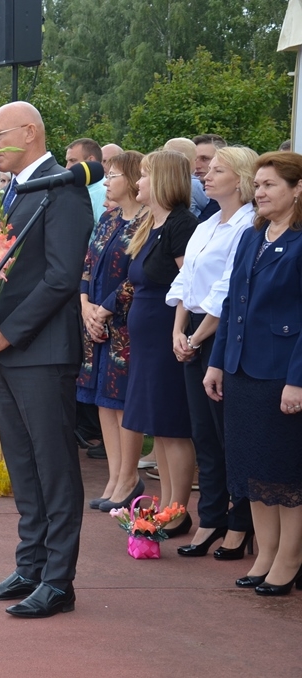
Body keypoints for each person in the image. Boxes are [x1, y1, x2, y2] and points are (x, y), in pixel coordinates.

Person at [0, 102, 94, 618]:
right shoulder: (17, 191)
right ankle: (31, 565)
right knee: (23, 464)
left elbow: (61, 277)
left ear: (31, 132)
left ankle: (59, 579)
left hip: (41, 351)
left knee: (53, 465)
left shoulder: (63, 188)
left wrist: (5, 334)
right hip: (10, 350)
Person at [204, 151, 302, 596]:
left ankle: (289, 557)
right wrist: (217, 361)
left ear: (297, 190)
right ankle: (265, 552)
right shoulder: (252, 237)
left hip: (280, 372)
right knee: (252, 470)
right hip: (242, 367)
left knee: (282, 473)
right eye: (258, 185)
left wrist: (297, 379)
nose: (259, 192)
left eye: (270, 185)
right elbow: (230, 305)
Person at [167, 145, 258, 558]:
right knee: (203, 433)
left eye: (217, 170)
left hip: (219, 337)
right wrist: (178, 331)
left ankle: (240, 523)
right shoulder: (206, 224)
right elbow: (186, 281)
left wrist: (197, 337)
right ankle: (211, 518)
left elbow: (226, 290)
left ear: (239, 179)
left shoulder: (247, 225)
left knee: (228, 435)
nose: (206, 175)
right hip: (192, 335)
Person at [121, 151, 198, 533]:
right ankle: (166, 506)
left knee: (172, 424)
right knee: (158, 427)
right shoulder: (152, 223)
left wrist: (179, 330)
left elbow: (189, 284)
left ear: (163, 180)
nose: (138, 183)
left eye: (145, 175)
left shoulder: (182, 224)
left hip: (167, 331)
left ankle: (178, 511)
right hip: (146, 333)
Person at [78, 151, 147, 511]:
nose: (107, 181)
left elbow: (136, 277)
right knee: (103, 401)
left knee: (122, 402)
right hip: (97, 320)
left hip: (124, 323)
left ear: (135, 180)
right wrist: (86, 305)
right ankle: (114, 476)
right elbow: (88, 264)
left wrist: (104, 309)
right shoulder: (107, 219)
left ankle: (129, 477)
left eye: (114, 175)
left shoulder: (147, 223)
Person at [65, 138, 107, 222]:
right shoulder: (75, 189)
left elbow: (105, 231)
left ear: (91, 160)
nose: (67, 167)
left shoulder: (104, 192)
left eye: (73, 160)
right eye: (67, 161)